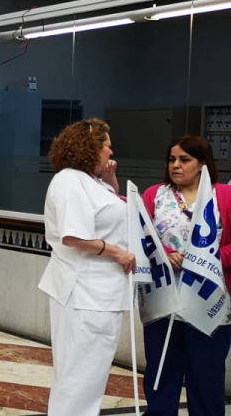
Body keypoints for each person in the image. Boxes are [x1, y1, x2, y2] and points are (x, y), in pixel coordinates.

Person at [37, 118, 135, 416]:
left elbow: (110, 213)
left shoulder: (91, 181)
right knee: (79, 374)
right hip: (85, 293)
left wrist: (112, 181)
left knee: (90, 373)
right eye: (107, 146)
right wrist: (117, 253)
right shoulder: (70, 180)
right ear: (90, 148)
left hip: (100, 292)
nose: (111, 151)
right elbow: (73, 236)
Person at [141, 136, 231, 416]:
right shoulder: (154, 195)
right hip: (163, 299)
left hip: (211, 301)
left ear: (202, 163)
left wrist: (204, 260)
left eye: (184, 159)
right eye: (172, 159)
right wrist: (165, 254)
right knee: (161, 371)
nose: (176, 165)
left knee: (206, 373)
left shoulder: (224, 195)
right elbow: (140, 236)